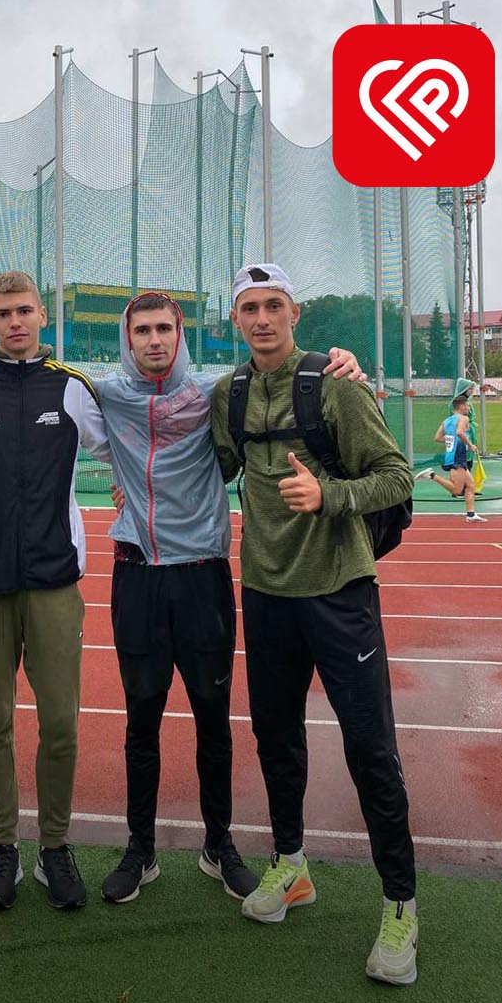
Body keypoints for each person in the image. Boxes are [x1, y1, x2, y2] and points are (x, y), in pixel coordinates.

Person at [95, 292, 363, 906]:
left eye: (164, 328)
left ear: (180, 332)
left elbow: (281, 367)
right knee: (141, 719)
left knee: (214, 718)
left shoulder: (217, 390)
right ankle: (141, 850)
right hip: (136, 572)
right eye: (142, 330)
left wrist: (339, 360)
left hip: (203, 576)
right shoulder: (103, 393)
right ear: (127, 338)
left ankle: (219, 844)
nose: (154, 340)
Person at [207, 263, 420, 986]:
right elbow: (203, 457)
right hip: (266, 593)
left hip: (338, 590)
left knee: (370, 750)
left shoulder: (335, 384)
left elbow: (396, 477)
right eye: (248, 309)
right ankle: (292, 866)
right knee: (275, 738)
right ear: (234, 320)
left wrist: (327, 494)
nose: (262, 319)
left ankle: (400, 905)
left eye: (273, 306)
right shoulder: (228, 394)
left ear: (294, 312)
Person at [0, 270, 109, 912]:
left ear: (43, 314)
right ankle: (3, 847)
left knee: (61, 723)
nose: (14, 321)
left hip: (53, 582)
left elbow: (129, 438)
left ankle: (56, 847)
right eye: (1, 313)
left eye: (24, 311)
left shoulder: (73, 389)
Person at [419, 395, 485, 523]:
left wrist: (452, 439)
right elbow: (460, 433)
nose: (469, 409)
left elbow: (437, 437)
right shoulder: (463, 418)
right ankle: (432, 475)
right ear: (460, 406)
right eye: (467, 406)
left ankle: (471, 514)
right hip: (458, 455)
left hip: (454, 455)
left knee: (471, 485)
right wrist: (470, 444)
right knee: (457, 490)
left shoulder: (447, 421)